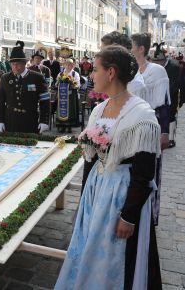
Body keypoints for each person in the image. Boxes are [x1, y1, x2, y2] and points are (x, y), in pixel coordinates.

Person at [55, 45, 162, 289]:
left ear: (111, 73)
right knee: (88, 249)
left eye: (95, 70)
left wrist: (128, 216)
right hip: (97, 191)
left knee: (116, 257)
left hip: (121, 196)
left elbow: (145, 173)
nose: (91, 75)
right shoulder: (98, 110)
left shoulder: (141, 116)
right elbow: (90, 160)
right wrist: (84, 200)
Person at [131, 32, 170, 226]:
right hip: (132, 126)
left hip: (151, 126)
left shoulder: (157, 71)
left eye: (132, 46)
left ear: (141, 49)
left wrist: (165, 132)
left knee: (151, 171)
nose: (130, 49)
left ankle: (150, 214)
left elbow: (163, 104)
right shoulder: (129, 69)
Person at [0, 41, 50, 133]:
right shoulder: (5, 78)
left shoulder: (37, 77)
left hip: (30, 120)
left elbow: (45, 101)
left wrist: (44, 120)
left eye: (18, 64)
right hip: (10, 120)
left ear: (24, 63)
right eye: (13, 64)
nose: (15, 67)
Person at [150, 42, 183, 148]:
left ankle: (171, 139)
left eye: (159, 61)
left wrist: (164, 92)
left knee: (171, 116)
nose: (157, 64)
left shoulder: (174, 66)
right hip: (157, 95)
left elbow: (176, 83)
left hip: (171, 95)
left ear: (163, 60)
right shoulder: (154, 67)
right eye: (155, 61)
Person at [55, 58, 81, 133]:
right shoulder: (60, 74)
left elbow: (78, 85)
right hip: (62, 96)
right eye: (67, 64)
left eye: (71, 64)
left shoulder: (75, 74)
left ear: (73, 65)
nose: (69, 66)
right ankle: (62, 126)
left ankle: (69, 126)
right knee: (61, 110)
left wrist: (71, 85)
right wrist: (60, 84)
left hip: (71, 95)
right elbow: (56, 83)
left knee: (70, 111)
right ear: (65, 65)